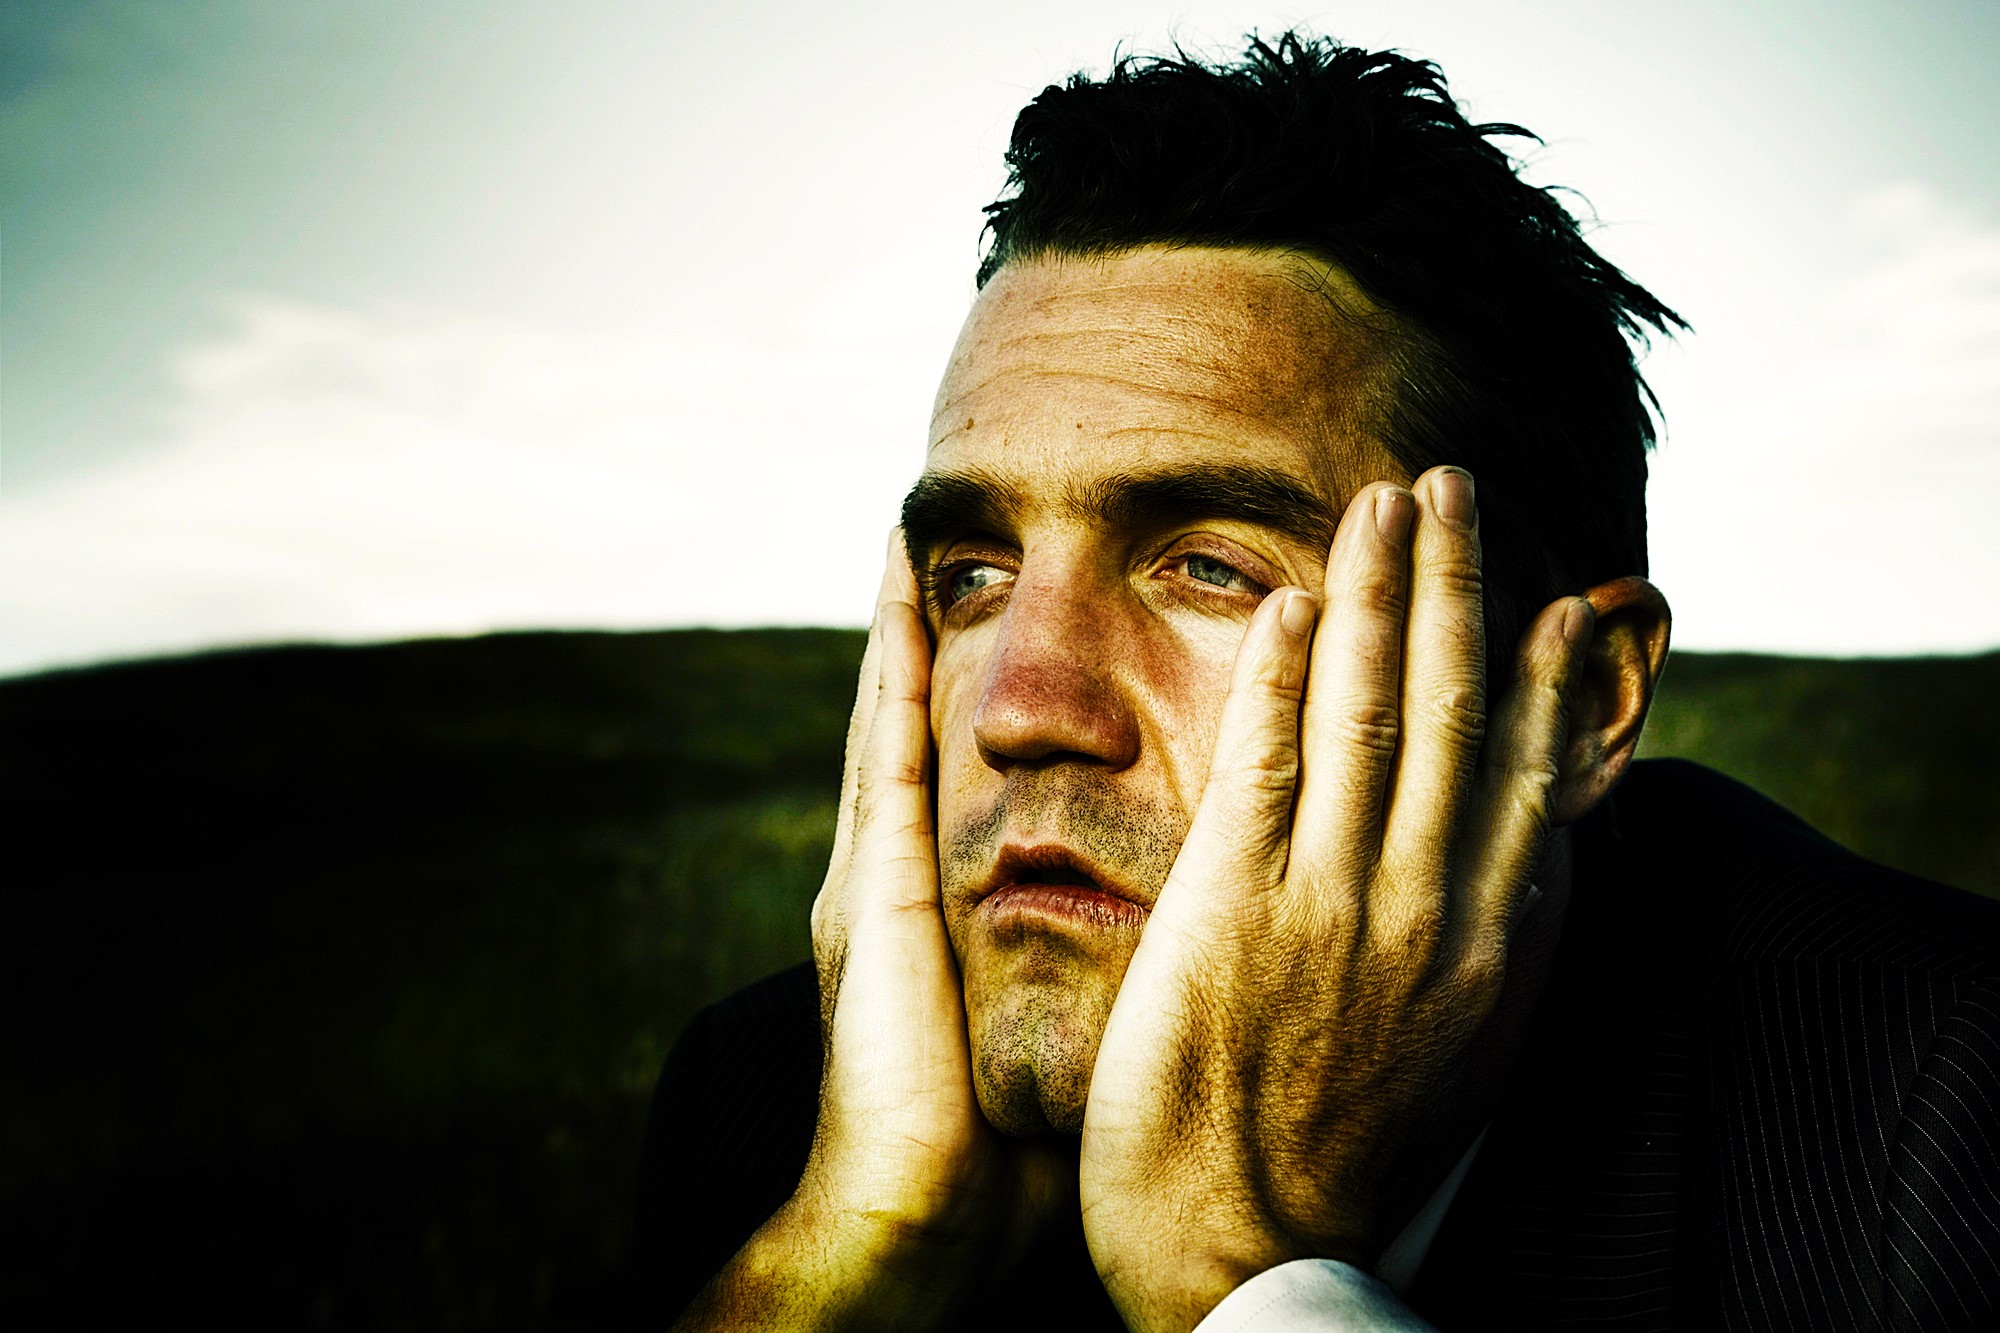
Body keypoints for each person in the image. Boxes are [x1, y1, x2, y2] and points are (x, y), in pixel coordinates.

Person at [626, 33, 2000, 1331]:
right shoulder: (784, 1113)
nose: (1022, 706)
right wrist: (843, 1268)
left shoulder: (1942, 1121)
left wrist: (1235, 1269)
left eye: (1210, 566)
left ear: (1581, 708)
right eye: (974, 574)